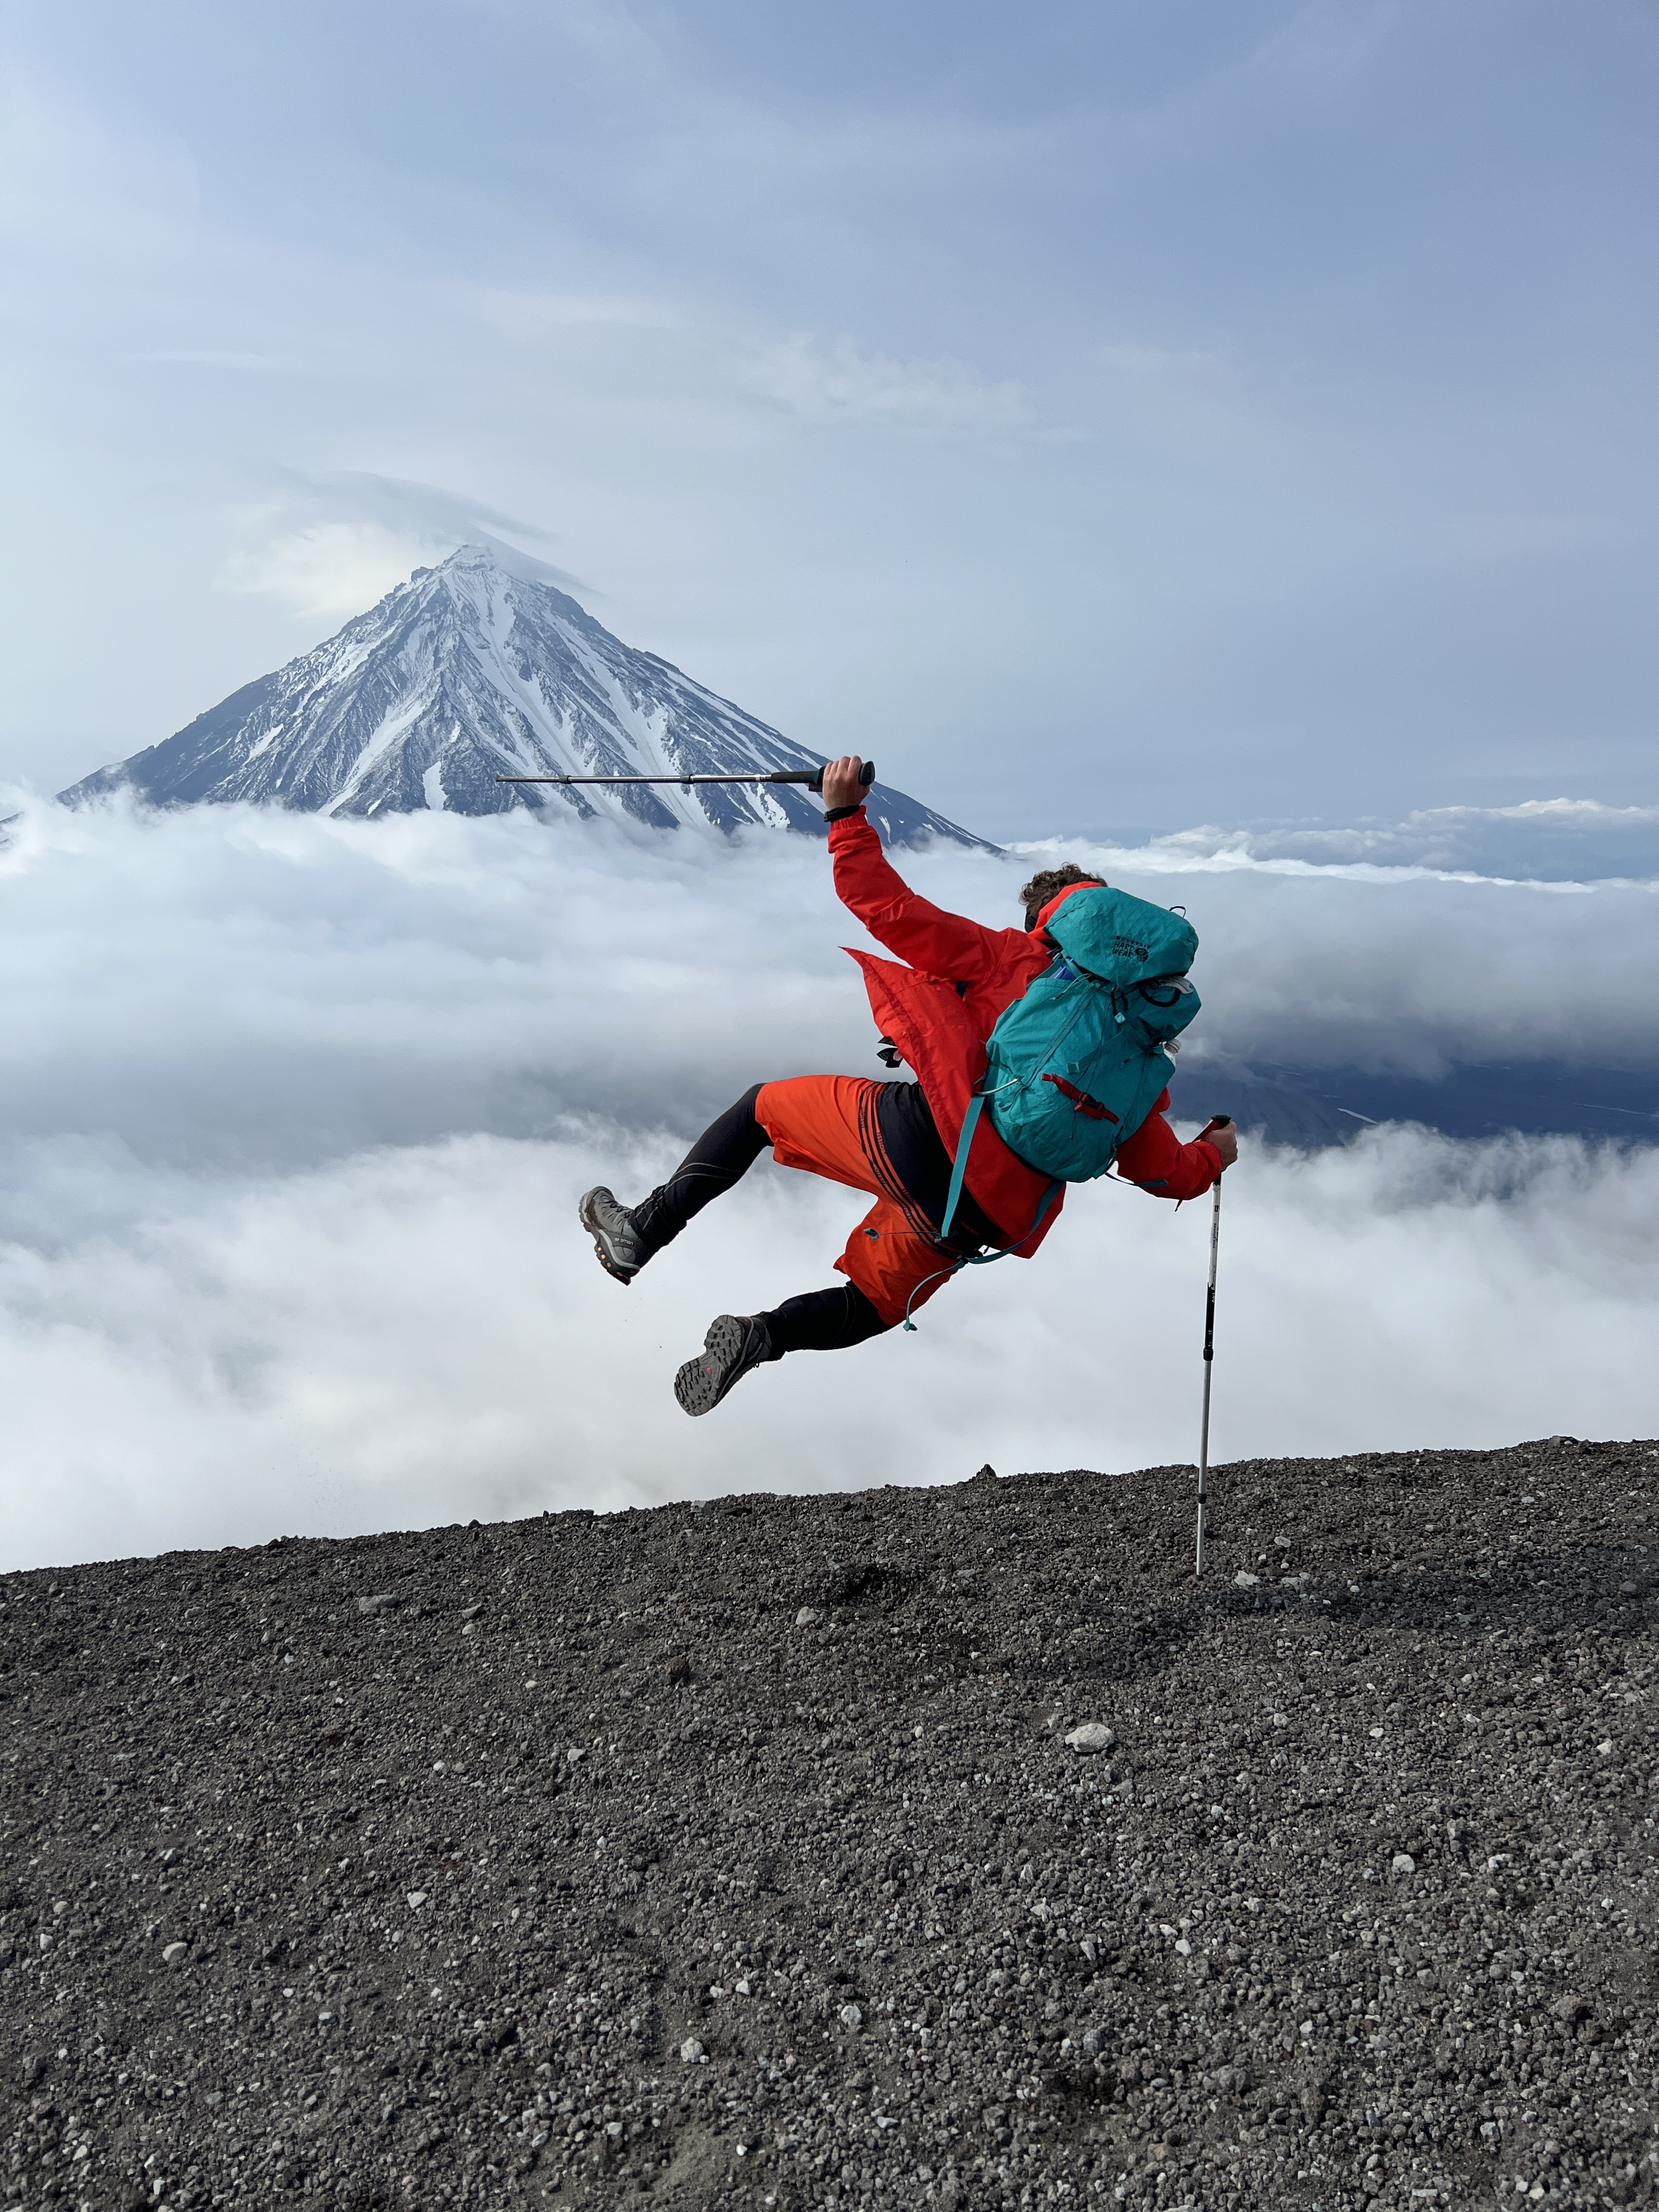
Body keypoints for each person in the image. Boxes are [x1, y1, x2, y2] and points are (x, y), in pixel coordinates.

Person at [580, 754, 1237, 1415]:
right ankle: (764, 1336)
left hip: (922, 1137)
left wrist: (843, 813)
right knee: (874, 1304)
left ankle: (644, 1231)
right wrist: (1216, 1150)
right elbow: (1165, 1173)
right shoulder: (1139, 1051)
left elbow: (885, 905)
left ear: (1054, 921)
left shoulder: (1011, 955)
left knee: (759, 1110)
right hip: (982, 1214)